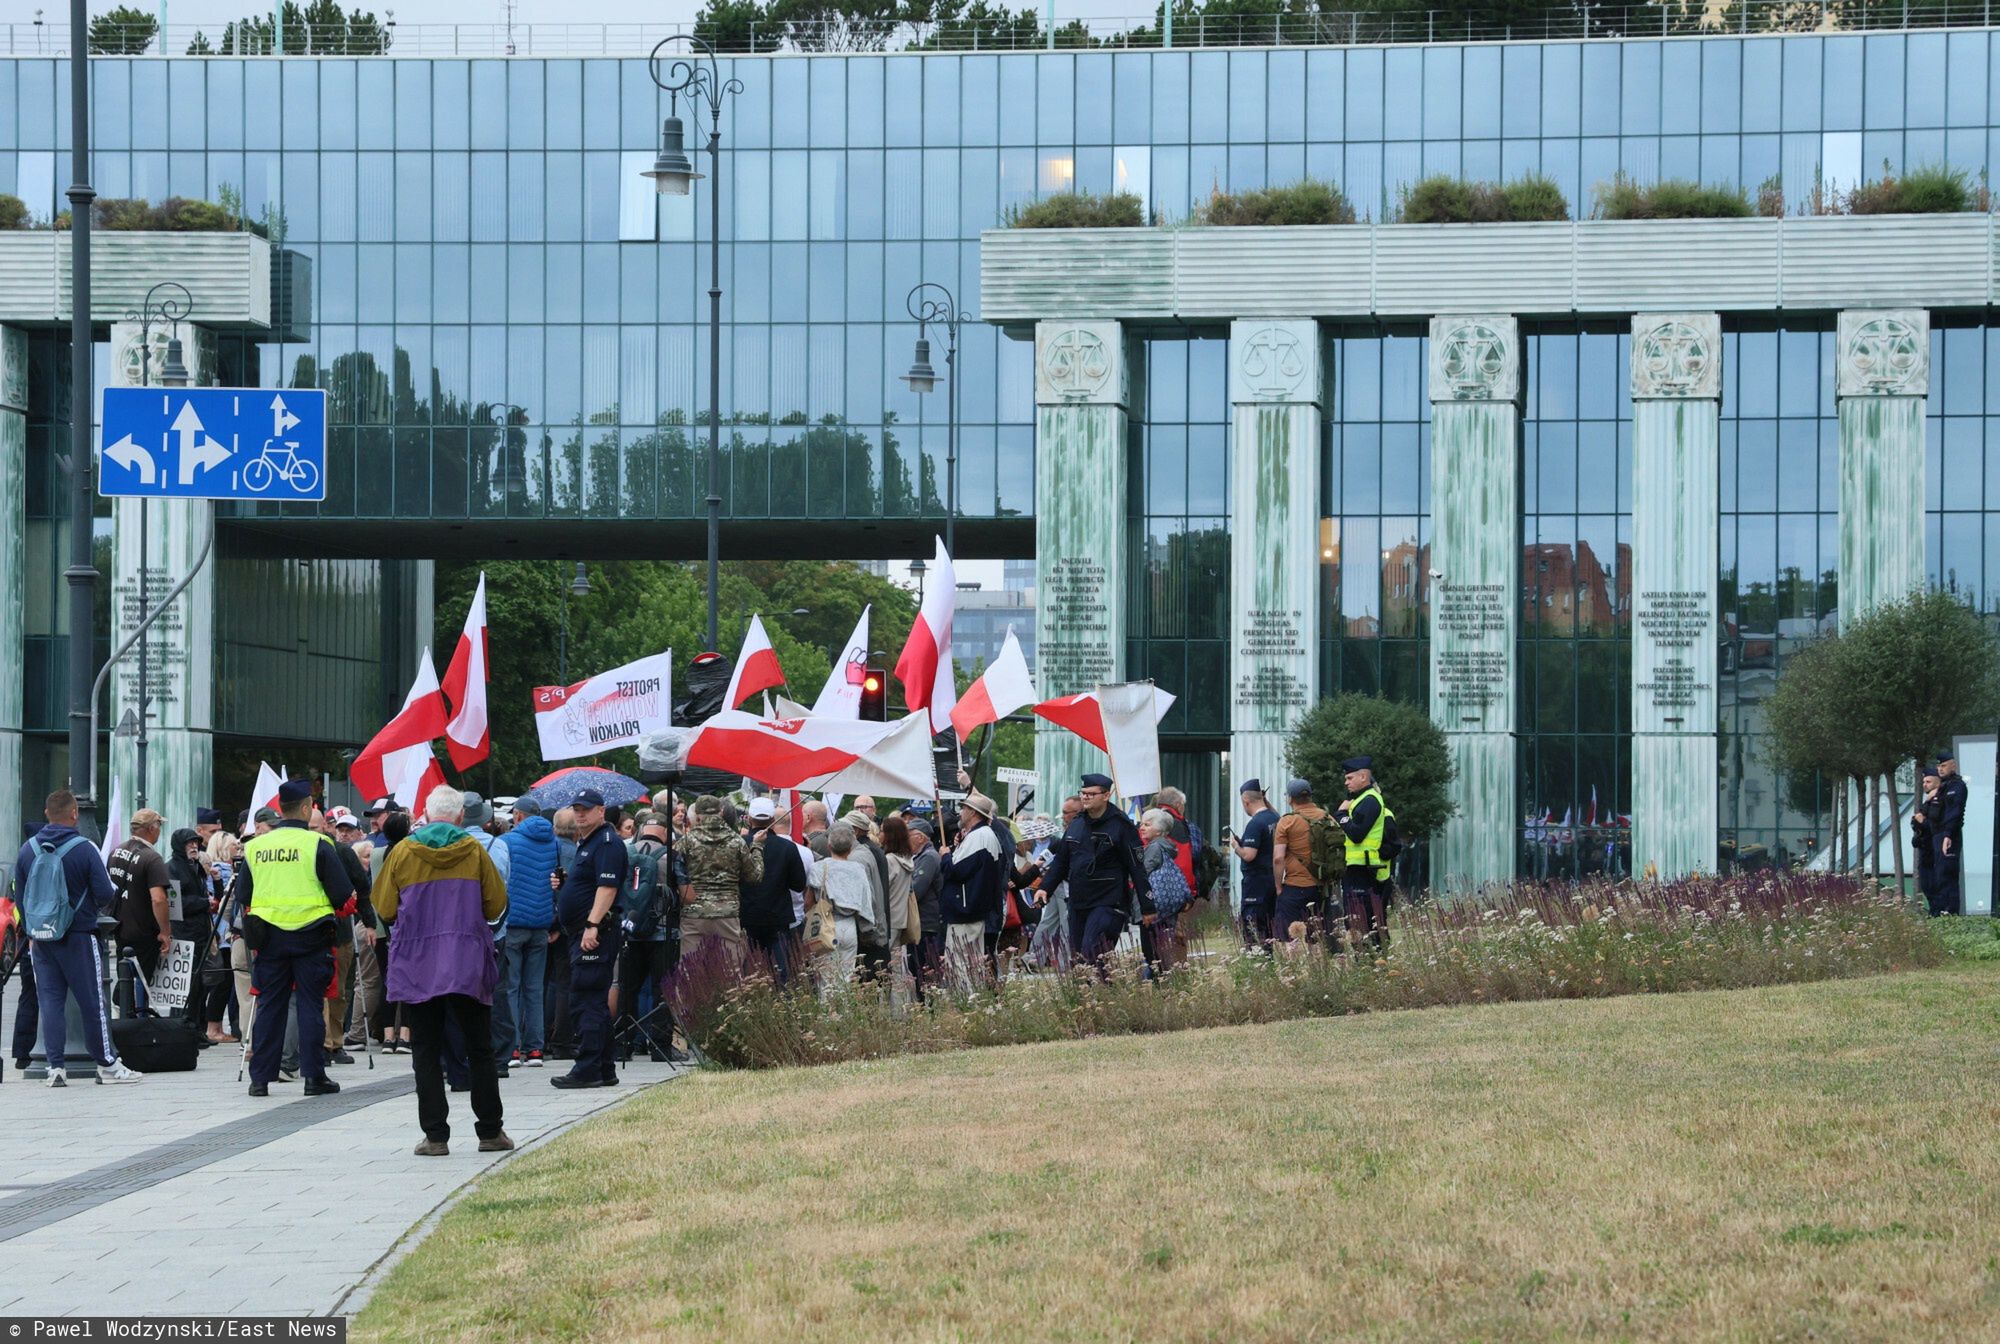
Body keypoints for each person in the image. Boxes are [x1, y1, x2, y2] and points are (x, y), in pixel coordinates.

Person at [373, 785, 513, 1157]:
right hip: (466, 958)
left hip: (419, 963)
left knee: (425, 1049)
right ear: (459, 817)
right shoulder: (474, 851)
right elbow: (496, 903)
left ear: (427, 813)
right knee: (479, 1048)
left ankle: (435, 1137)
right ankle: (490, 1132)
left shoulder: (403, 851)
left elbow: (384, 906)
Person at [13, 790, 143, 1086]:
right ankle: (107, 1065)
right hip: (79, 936)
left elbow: (21, 900)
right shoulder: (84, 848)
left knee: (50, 1003)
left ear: (47, 813)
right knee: (92, 1002)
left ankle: (55, 1067)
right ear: (74, 814)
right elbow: (105, 894)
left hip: (42, 940)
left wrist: (35, 930)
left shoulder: (28, 849)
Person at [239, 779, 354, 1098]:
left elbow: (243, 893)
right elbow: (343, 892)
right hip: (311, 937)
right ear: (305, 809)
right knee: (309, 1005)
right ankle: (314, 1077)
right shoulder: (318, 844)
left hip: (268, 938)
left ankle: (260, 1079)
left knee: (270, 1007)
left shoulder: (255, 847)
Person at [551, 788, 629, 1089]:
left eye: (586, 809)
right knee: (591, 998)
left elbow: (607, 889)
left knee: (586, 1000)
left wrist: (593, 924)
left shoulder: (607, 843)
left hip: (595, 933)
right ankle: (604, 1068)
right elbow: (590, 884)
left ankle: (588, 1069)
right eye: (576, 809)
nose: (580, 814)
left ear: (601, 811)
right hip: (583, 931)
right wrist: (566, 885)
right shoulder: (589, 842)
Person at [1037, 774, 1153, 974]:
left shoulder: (1121, 825)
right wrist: (1044, 888)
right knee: (1080, 960)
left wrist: (1147, 906)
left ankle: (1099, 997)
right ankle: (1096, 999)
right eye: (1083, 793)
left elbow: (1137, 867)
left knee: (1093, 954)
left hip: (1108, 902)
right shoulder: (1076, 823)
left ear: (1106, 795)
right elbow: (1061, 861)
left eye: (1091, 794)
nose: (1085, 797)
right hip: (1078, 902)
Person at [614, 811, 683, 1062]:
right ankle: (660, 1046)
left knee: (628, 988)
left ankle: (623, 1043)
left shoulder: (626, 854)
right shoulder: (672, 857)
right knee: (662, 988)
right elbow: (687, 895)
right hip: (663, 931)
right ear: (665, 832)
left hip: (630, 932)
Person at [497, 798, 559, 1066]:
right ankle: (536, 1050)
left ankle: (512, 1048)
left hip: (513, 923)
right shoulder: (553, 842)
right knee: (534, 988)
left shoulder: (508, 842)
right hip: (542, 922)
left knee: (510, 988)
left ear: (519, 816)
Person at [675, 794, 763, 972]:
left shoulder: (686, 841)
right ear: (721, 812)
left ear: (697, 815)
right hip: (727, 913)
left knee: (690, 973)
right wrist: (757, 848)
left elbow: (675, 873)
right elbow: (755, 876)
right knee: (731, 972)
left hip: (694, 913)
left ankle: (689, 1001)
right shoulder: (736, 841)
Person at [939, 793, 1007, 993]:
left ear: (973, 812)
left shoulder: (979, 836)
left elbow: (955, 871)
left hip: (966, 911)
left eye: (964, 808)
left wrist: (945, 856)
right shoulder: (980, 835)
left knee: (961, 964)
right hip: (971, 910)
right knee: (968, 963)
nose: (960, 812)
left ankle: (966, 1005)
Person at [741, 797, 806, 987]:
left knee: (748, 973)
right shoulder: (787, 847)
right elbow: (798, 884)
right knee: (781, 972)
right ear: (772, 821)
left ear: (749, 819)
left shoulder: (739, 844)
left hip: (746, 917)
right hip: (777, 918)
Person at [107, 807, 175, 985]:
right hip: (144, 930)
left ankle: (124, 1006)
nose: (160, 830)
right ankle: (125, 1006)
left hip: (120, 926)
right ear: (152, 829)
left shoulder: (116, 852)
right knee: (140, 982)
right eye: (159, 825)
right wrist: (165, 932)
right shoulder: (152, 858)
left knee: (126, 976)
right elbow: (158, 899)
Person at [1334, 758, 1396, 953]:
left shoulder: (1369, 801)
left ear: (1363, 777)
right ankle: (1371, 961)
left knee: (1362, 922)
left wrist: (1341, 814)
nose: (1346, 782)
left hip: (1363, 871)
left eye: (1350, 778)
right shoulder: (1361, 800)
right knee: (1359, 922)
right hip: (1357, 869)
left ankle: (1372, 962)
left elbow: (1357, 833)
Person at [808, 822, 874, 991]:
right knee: (845, 978)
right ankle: (844, 1014)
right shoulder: (858, 869)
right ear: (850, 848)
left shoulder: (818, 868)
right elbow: (867, 899)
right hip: (850, 925)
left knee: (826, 979)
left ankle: (828, 1016)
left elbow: (808, 901)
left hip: (826, 924)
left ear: (829, 845)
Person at [1270, 779, 1330, 945]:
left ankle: (1294, 970)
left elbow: (1278, 858)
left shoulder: (1287, 821)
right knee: (1316, 939)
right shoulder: (1327, 817)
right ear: (1310, 796)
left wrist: (1278, 886)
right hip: (1321, 888)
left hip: (1295, 887)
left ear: (1290, 799)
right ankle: (1317, 969)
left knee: (1290, 940)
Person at [1138, 808, 1188, 971]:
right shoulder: (1168, 847)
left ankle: (1157, 984)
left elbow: (1142, 873)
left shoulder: (1154, 848)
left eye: (1147, 824)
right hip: (1167, 907)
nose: (1142, 827)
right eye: (1142, 824)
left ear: (1159, 830)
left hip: (1154, 907)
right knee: (1163, 946)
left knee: (1151, 951)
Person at [1234, 780, 1279, 948]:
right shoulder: (1274, 817)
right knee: (1269, 925)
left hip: (1256, 884)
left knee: (1253, 927)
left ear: (1246, 802)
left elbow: (1249, 855)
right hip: (1272, 880)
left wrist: (1236, 846)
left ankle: (1257, 959)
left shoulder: (1255, 823)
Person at [1934, 751, 1968, 916]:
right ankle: (1942, 911)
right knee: (1940, 875)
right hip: (1939, 835)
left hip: (1950, 835)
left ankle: (1950, 912)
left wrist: (1948, 834)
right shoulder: (1943, 786)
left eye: (1944, 765)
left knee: (1948, 875)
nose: (1940, 769)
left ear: (1953, 765)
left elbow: (1954, 813)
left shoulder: (1957, 786)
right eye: (1939, 766)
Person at [1913, 767, 1942, 914]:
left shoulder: (1938, 800)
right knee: (1926, 884)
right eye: (1924, 781)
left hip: (1933, 849)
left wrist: (1922, 822)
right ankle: (1934, 912)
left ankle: (1937, 913)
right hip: (1925, 848)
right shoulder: (1928, 801)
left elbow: (1934, 825)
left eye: (1928, 781)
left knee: (1932, 885)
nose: (1925, 784)